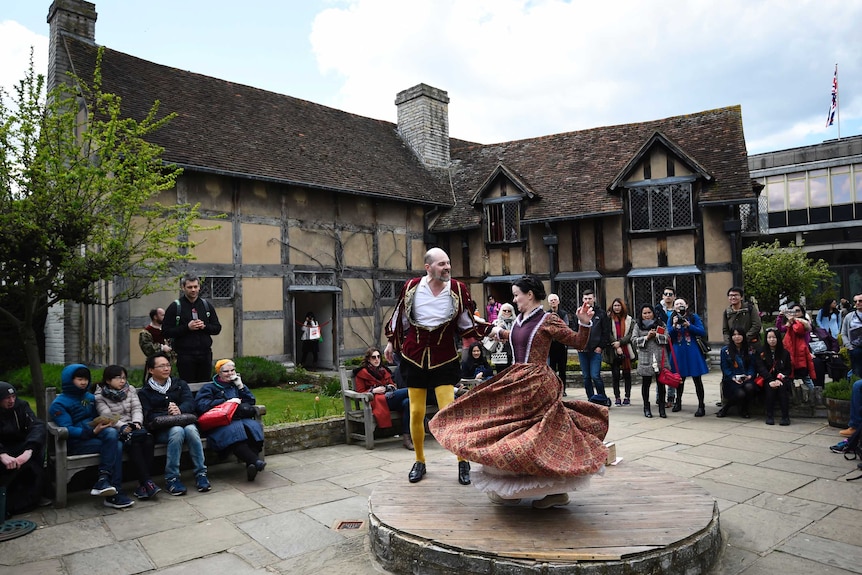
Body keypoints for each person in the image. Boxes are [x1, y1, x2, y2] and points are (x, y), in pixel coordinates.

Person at [429, 275, 607, 509]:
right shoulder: (520, 320)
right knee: (503, 428)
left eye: (516, 295)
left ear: (529, 295)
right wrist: (496, 332)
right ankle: (513, 486)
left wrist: (584, 323)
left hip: (536, 385)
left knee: (535, 437)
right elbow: (516, 338)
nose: (514, 300)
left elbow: (578, 343)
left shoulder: (548, 319)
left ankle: (553, 491)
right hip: (517, 379)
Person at [384, 247, 493, 486]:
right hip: (414, 357)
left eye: (448, 263)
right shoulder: (412, 286)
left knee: (449, 411)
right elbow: (400, 317)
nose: (447, 268)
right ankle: (420, 461)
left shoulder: (457, 289)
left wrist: (492, 331)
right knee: (416, 412)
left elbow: (467, 321)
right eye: (442, 264)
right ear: (428, 267)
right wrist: (391, 343)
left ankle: (462, 461)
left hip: (444, 357)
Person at [49, 364, 134, 509]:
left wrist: (105, 422)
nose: (83, 382)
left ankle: (104, 481)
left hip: (95, 437)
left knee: (111, 433)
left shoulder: (90, 397)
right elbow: (67, 429)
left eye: (86, 379)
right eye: (79, 379)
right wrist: (92, 432)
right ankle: (113, 491)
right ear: (70, 380)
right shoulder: (59, 404)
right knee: (117, 445)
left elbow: (96, 418)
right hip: (75, 443)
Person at [138, 352, 211, 495]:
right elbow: (147, 416)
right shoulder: (145, 392)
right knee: (177, 431)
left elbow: (190, 403)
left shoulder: (179, 384)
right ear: (151, 370)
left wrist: (180, 409)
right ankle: (172, 479)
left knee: (190, 430)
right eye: (161, 366)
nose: (166, 369)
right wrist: (168, 414)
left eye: (168, 365)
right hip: (162, 430)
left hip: (184, 423)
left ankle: (201, 474)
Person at [95, 365, 160, 499]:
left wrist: (136, 423)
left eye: (124, 378)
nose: (122, 381)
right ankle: (146, 482)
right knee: (133, 444)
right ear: (108, 380)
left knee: (148, 439)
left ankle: (144, 484)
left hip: (134, 426)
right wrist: (123, 427)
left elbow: (137, 408)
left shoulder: (130, 390)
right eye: (118, 378)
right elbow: (106, 416)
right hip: (115, 429)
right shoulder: (100, 395)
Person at [195, 359, 266, 481]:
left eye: (232, 370)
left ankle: (252, 465)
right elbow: (201, 405)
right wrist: (225, 402)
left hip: (240, 420)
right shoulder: (210, 387)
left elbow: (251, 401)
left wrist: (241, 387)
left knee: (253, 428)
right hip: (220, 423)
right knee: (235, 435)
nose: (230, 373)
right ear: (219, 373)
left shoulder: (236, 384)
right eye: (226, 371)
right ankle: (254, 462)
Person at [163, 273, 222, 383]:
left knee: (204, 386)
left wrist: (204, 326)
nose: (193, 290)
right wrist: (187, 327)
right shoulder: (175, 307)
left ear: (199, 287)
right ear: (183, 287)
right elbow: (166, 331)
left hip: (205, 354)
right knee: (188, 386)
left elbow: (217, 328)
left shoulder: (206, 305)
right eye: (190, 287)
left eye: (195, 287)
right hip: (185, 355)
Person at [0, 381, 48, 516]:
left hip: (21, 446)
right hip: (3, 449)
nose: (11, 401)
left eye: (13, 397)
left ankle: (33, 496)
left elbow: (37, 425)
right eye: (7, 398)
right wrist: (2, 454)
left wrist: (29, 450)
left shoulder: (21, 406)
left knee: (38, 446)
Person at [353, 347, 412, 450]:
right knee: (411, 391)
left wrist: (389, 387)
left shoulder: (383, 370)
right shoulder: (362, 373)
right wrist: (373, 391)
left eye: (378, 357)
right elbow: (360, 392)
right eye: (373, 357)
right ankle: (424, 421)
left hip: (390, 397)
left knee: (408, 402)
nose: (377, 359)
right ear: (368, 359)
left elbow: (392, 384)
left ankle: (407, 438)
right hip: (377, 402)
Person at [668, 298, 709, 416]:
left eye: (681, 303)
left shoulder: (693, 316)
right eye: (676, 304)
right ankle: (678, 402)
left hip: (692, 350)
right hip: (678, 351)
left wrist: (689, 325)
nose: (679, 306)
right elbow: (668, 335)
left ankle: (701, 405)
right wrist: (675, 325)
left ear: (686, 305)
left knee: (697, 379)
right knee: (679, 379)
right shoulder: (672, 317)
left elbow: (702, 331)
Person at [632, 304, 670, 418]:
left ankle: (662, 409)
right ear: (641, 314)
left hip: (659, 358)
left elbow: (667, 338)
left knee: (661, 384)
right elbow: (633, 340)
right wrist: (646, 337)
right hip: (645, 358)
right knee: (646, 384)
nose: (647, 315)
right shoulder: (638, 326)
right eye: (645, 313)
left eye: (649, 312)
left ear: (653, 313)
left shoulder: (660, 323)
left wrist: (657, 335)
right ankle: (646, 408)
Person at [577, 289, 610, 403]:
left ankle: (602, 397)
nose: (587, 301)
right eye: (585, 298)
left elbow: (606, 332)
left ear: (594, 299)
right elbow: (574, 330)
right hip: (582, 350)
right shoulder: (579, 313)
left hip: (595, 349)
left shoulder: (601, 314)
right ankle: (591, 399)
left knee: (595, 375)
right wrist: (577, 344)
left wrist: (600, 347)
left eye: (590, 298)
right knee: (586, 377)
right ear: (582, 299)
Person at [754, 328, 792, 426]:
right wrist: (770, 380)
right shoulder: (760, 352)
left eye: (774, 337)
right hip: (767, 378)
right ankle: (769, 416)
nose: (772, 340)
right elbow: (760, 368)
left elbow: (788, 369)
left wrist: (779, 379)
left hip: (781, 378)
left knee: (782, 389)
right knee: (769, 389)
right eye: (769, 337)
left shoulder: (785, 353)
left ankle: (785, 417)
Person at [781, 303, 816, 406]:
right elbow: (780, 328)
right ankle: (793, 398)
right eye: (793, 311)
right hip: (790, 353)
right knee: (790, 377)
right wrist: (781, 316)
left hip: (800, 355)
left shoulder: (802, 323)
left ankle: (814, 397)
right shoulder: (790, 322)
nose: (795, 313)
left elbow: (798, 330)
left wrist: (793, 320)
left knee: (805, 377)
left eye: (797, 311)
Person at [716, 328, 757, 418]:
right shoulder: (725, 351)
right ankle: (726, 408)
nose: (737, 337)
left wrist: (749, 375)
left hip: (746, 378)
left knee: (749, 387)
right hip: (731, 380)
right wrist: (733, 377)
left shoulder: (750, 349)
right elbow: (725, 368)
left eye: (739, 334)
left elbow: (752, 365)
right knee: (740, 393)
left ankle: (744, 409)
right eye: (734, 335)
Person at [605, 298, 634, 406]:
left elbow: (631, 334)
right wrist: (616, 345)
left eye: (618, 305)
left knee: (627, 374)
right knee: (615, 375)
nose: (616, 308)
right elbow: (607, 333)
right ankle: (617, 397)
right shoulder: (608, 319)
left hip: (626, 348)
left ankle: (627, 396)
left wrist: (620, 343)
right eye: (615, 305)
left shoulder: (629, 319)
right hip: (613, 350)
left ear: (622, 307)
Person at [654, 286, 678, 407]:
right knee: (661, 370)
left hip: (675, 344)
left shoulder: (678, 309)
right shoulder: (657, 310)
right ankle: (660, 396)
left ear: (674, 296)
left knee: (672, 371)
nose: (668, 296)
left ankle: (671, 396)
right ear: (663, 296)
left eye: (670, 294)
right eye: (666, 294)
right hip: (661, 344)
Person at [547, 293, 571, 396]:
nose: (553, 302)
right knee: (551, 370)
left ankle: (563, 390)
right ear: (548, 303)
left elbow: (565, 327)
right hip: (550, 346)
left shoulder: (563, 314)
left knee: (562, 370)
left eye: (555, 300)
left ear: (558, 302)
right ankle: (553, 389)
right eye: (551, 300)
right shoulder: (546, 314)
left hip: (561, 345)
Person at [488, 303, 516, 372]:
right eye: (504, 310)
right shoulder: (496, 322)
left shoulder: (516, 323)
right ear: (501, 311)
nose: (506, 312)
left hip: (512, 350)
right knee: (500, 372)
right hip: (500, 352)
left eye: (509, 311)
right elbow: (489, 336)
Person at [840, 293, 862, 379]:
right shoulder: (849, 317)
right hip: (855, 348)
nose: (858, 303)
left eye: (860, 301)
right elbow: (843, 333)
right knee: (857, 371)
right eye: (855, 301)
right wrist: (849, 346)